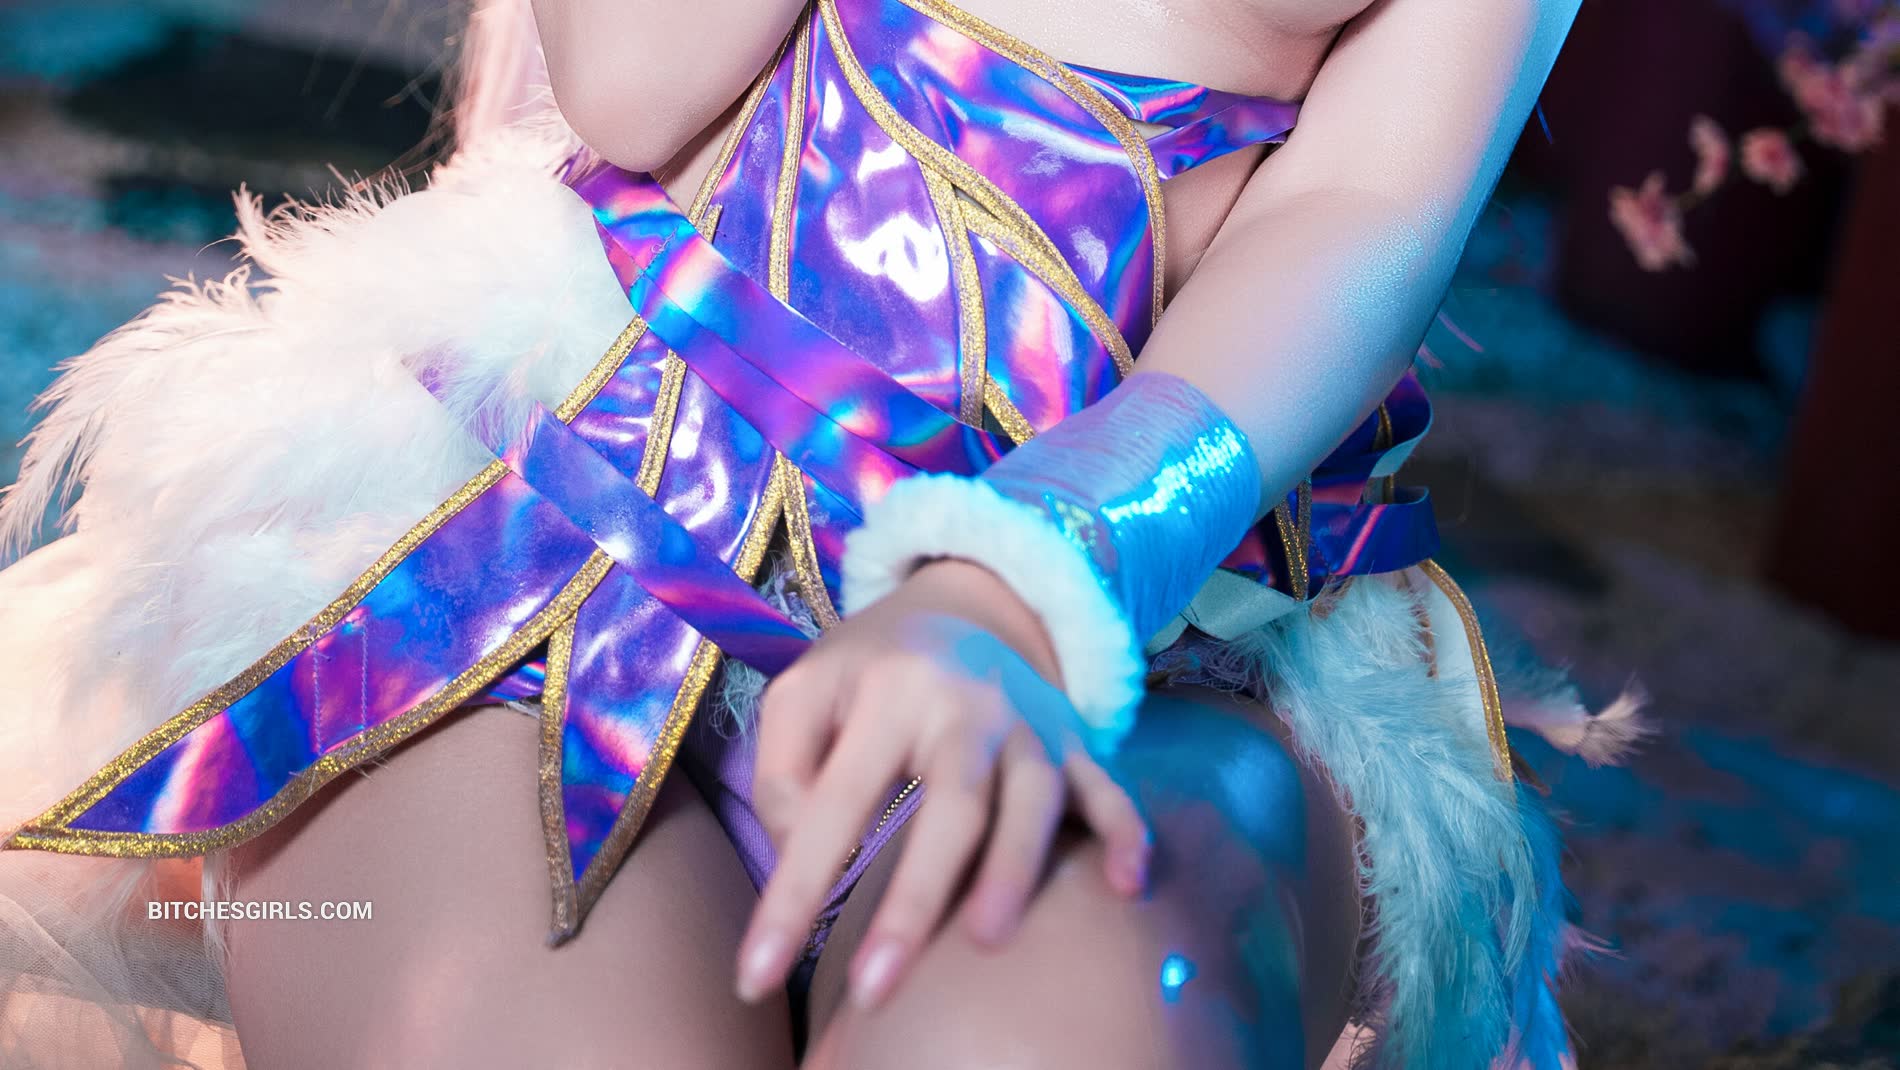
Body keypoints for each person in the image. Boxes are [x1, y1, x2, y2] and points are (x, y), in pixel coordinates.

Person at [0, 0, 1646, 1066]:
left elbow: (1362, 210)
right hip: (578, 511)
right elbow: (632, 85)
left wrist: (1026, 575)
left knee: (1036, 1031)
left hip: (1149, 618)